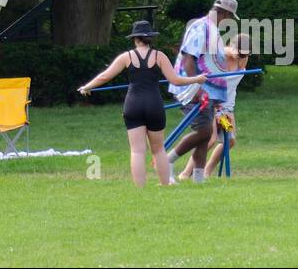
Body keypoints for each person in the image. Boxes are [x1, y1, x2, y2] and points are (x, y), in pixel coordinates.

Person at [78, 20, 207, 188]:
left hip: (133, 105)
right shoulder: (159, 56)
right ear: (151, 38)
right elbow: (175, 80)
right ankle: (164, 184)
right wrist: (196, 78)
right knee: (158, 149)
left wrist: (87, 87)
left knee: (137, 150)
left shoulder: (127, 57)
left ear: (134, 39)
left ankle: (140, 188)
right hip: (154, 104)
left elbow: (105, 76)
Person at [166, 0, 238, 184]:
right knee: (206, 133)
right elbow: (188, 58)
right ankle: (167, 161)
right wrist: (196, 89)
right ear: (225, 13)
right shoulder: (201, 27)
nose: (229, 21)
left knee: (213, 136)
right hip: (195, 92)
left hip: (216, 100)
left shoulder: (213, 31)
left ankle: (199, 179)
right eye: (230, 17)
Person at [178, 32, 250, 181]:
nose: (241, 57)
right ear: (232, 46)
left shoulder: (243, 58)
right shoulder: (220, 57)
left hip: (226, 109)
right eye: (239, 54)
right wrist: (227, 50)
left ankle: (207, 171)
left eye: (245, 54)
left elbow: (240, 59)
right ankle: (185, 173)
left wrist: (239, 54)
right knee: (209, 140)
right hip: (211, 104)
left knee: (229, 141)